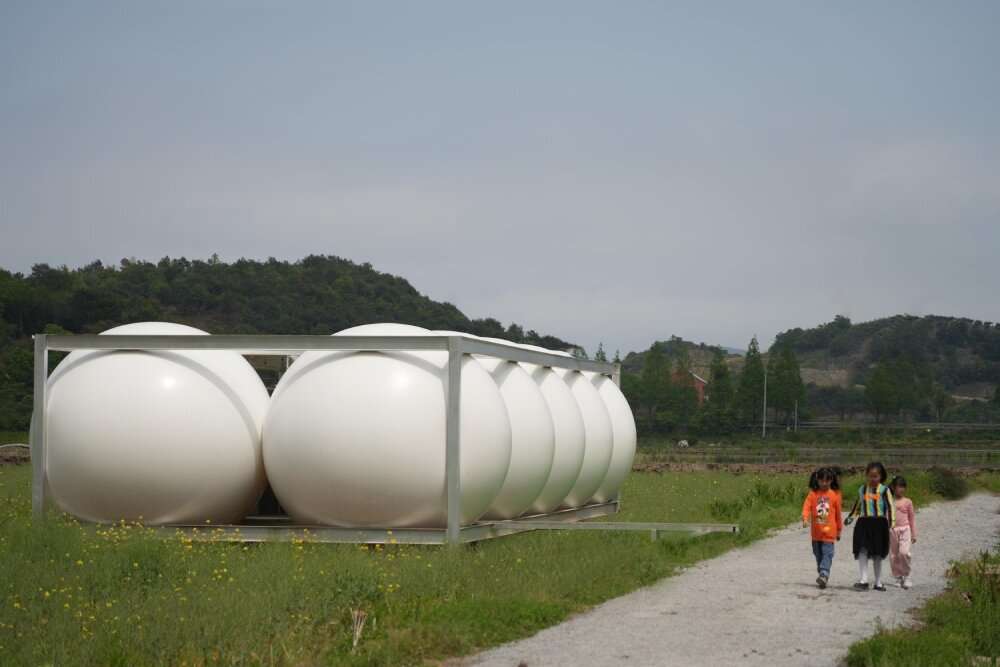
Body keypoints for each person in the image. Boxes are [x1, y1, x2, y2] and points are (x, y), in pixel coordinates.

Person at [845, 461, 895, 591]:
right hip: (864, 523)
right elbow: (858, 505)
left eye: (875, 476)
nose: (872, 479)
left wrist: (892, 522)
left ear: (881, 476)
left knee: (877, 554)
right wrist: (850, 517)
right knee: (862, 550)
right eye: (870, 476)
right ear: (866, 475)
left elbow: (891, 507)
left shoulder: (885, 490)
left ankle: (878, 582)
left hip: (879, 524)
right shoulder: (862, 489)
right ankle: (864, 580)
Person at [802, 467, 842, 589]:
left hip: (829, 533)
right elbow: (806, 507)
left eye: (827, 480)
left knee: (827, 554)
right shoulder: (813, 494)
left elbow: (838, 515)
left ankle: (824, 573)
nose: (824, 483)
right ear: (817, 480)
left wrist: (839, 530)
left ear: (831, 480)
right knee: (818, 554)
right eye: (821, 480)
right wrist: (805, 517)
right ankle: (822, 573)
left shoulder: (834, 495)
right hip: (816, 533)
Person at [889, 476, 916, 589]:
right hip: (892, 530)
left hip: (905, 529)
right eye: (899, 486)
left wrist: (914, 534)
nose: (901, 489)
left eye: (903, 487)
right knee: (894, 555)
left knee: (904, 552)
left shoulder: (908, 502)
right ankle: (898, 576)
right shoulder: (889, 501)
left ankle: (907, 575)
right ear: (894, 488)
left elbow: (912, 518)